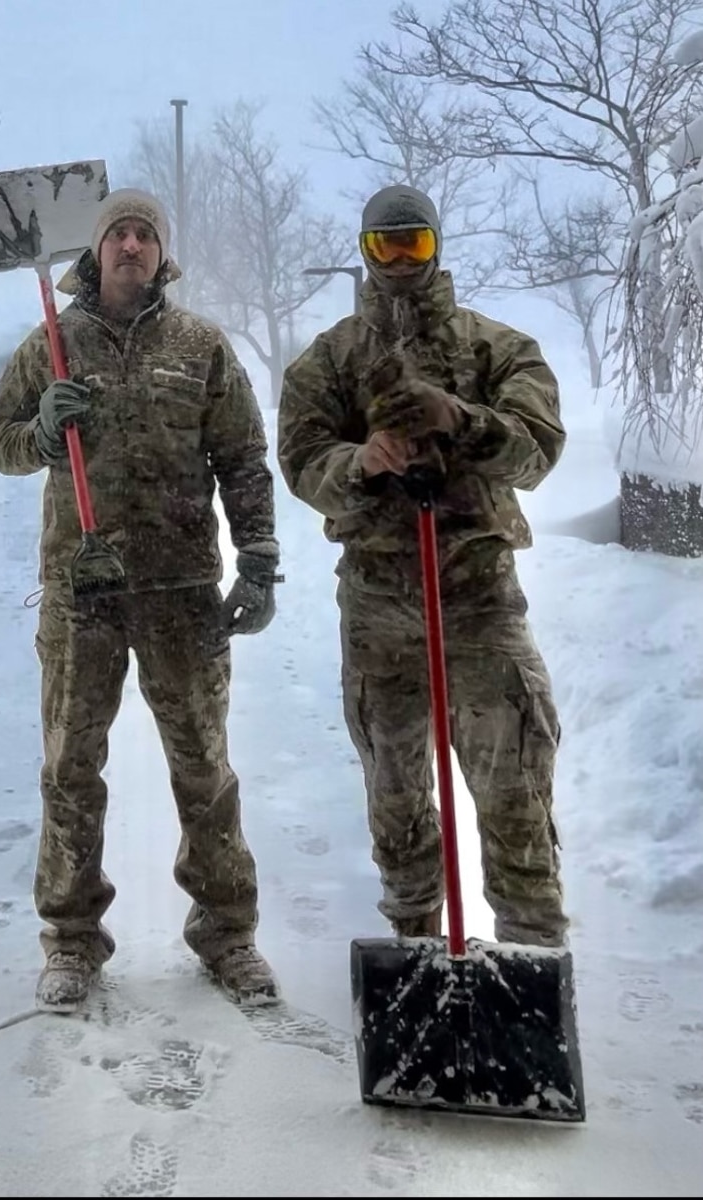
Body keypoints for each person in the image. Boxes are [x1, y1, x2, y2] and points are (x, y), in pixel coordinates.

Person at [0, 188, 283, 1014]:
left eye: (145, 233)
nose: (131, 244)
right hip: (84, 590)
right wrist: (41, 430)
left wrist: (257, 558)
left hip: (183, 589)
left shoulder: (200, 345)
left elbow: (244, 457)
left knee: (205, 769)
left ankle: (227, 933)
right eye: (119, 231)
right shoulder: (55, 341)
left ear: (161, 252)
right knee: (70, 769)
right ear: (97, 246)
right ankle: (73, 941)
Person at [276, 183, 569, 950]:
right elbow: (302, 459)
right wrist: (361, 462)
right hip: (378, 603)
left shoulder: (495, 348)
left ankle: (532, 955)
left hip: (477, 593)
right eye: (385, 246)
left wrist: (459, 418)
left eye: (415, 244)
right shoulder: (331, 360)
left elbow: (537, 447)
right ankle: (413, 948)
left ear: (437, 247)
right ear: (365, 253)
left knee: (514, 783)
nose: (400, 261)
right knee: (397, 790)